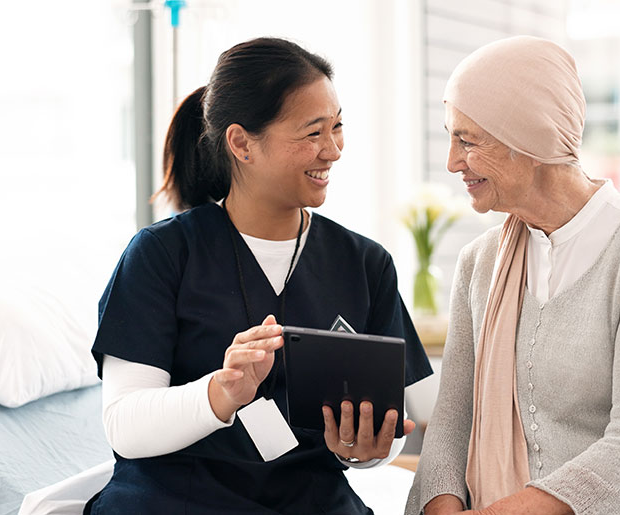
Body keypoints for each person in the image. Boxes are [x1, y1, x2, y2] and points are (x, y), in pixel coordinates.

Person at [84, 37, 432, 514]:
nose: (332, 150)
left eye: (337, 127)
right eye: (312, 133)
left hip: (312, 502)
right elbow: (125, 424)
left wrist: (367, 452)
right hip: (177, 500)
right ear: (242, 143)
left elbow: (393, 427)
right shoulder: (163, 254)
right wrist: (220, 393)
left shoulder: (364, 264)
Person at [406, 36, 620, 515]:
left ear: (529, 141)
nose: (452, 161)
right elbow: (452, 423)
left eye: (467, 140)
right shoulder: (478, 264)